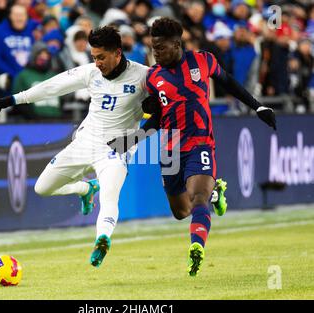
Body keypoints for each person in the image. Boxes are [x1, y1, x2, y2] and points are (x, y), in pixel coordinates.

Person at [108, 17, 276, 277]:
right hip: (171, 151)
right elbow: (158, 117)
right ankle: (216, 192)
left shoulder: (203, 60)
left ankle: (196, 247)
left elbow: (229, 82)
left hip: (200, 143)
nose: (156, 54)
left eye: (161, 48)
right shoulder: (153, 78)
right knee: (180, 211)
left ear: (177, 44)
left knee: (198, 197)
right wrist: (132, 139)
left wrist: (258, 106)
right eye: (153, 49)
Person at [0, 26, 151, 268]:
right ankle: (85, 189)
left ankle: (102, 239)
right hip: (85, 142)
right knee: (43, 187)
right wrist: (12, 100)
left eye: (101, 57)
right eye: (94, 57)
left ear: (117, 53)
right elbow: (52, 86)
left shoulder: (144, 76)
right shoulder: (91, 72)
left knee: (110, 196)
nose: (97, 63)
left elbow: (171, 98)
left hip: (116, 149)